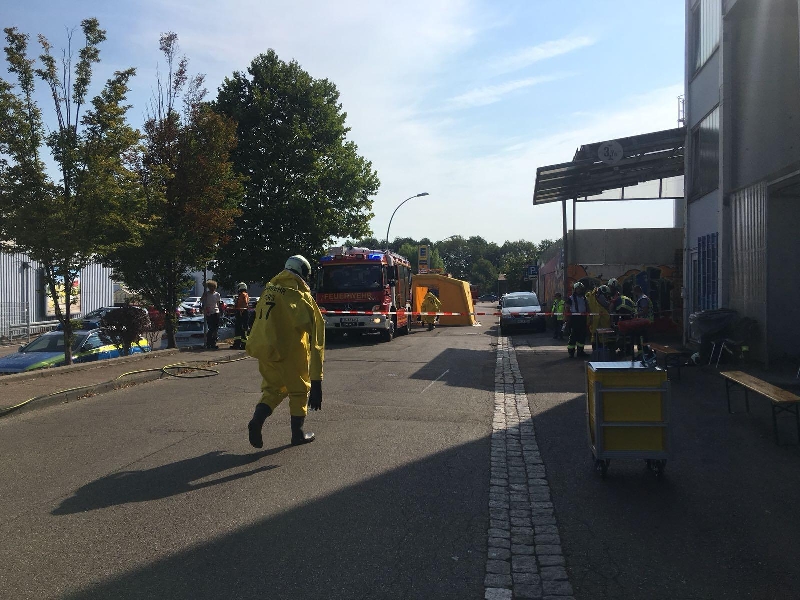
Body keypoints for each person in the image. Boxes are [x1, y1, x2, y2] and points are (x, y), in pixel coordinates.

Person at [246, 255, 325, 448]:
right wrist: (316, 380)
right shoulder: (301, 297)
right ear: (303, 273)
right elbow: (317, 339)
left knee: (272, 389)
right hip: (290, 353)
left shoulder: (269, 290)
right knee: (299, 391)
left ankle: (257, 419)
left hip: (266, 351)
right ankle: (298, 434)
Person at [564, 281, 589, 358]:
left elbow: (587, 307)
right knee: (573, 335)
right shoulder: (571, 298)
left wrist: (589, 317)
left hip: (582, 318)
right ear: (575, 289)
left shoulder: (584, 298)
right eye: (578, 289)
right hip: (574, 318)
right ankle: (571, 352)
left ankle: (580, 351)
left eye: (580, 289)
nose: (579, 290)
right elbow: (567, 308)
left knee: (582, 335)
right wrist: (566, 317)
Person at [200, 280, 221, 350]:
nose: (212, 288)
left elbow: (218, 303)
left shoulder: (217, 294)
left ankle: (213, 343)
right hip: (209, 313)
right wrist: (203, 297)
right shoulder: (206, 294)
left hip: (216, 312)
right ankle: (208, 342)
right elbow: (202, 300)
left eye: (213, 287)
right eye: (210, 287)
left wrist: (220, 311)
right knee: (211, 328)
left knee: (215, 329)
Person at [230, 282, 249, 350]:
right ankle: (237, 344)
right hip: (240, 313)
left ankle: (244, 344)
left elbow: (244, 304)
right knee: (238, 329)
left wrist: (241, 311)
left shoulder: (243, 294)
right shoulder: (242, 295)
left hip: (242, 313)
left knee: (243, 329)